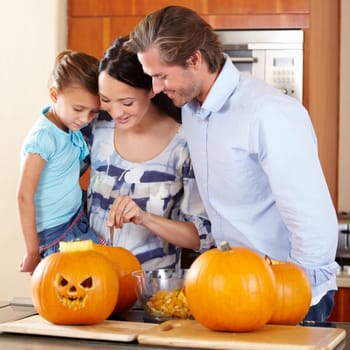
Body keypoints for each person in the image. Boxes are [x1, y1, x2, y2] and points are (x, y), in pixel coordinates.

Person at [126, 5, 339, 321]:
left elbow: (314, 224)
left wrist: (295, 298)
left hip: (286, 298)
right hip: (234, 290)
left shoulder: (269, 113)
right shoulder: (192, 111)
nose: (156, 88)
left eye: (161, 76)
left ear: (195, 60)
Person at [81, 36, 214, 270]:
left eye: (127, 102)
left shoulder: (185, 145)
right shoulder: (96, 127)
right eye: (106, 100)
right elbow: (56, 174)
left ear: (152, 90)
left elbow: (200, 236)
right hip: (90, 282)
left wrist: (146, 218)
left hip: (152, 293)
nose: (116, 112)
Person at [17, 50, 103, 274]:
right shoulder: (43, 138)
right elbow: (24, 195)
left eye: (93, 112)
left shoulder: (69, 126)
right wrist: (32, 252)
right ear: (54, 95)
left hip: (76, 221)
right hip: (55, 235)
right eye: (79, 109)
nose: (85, 119)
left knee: (103, 278)